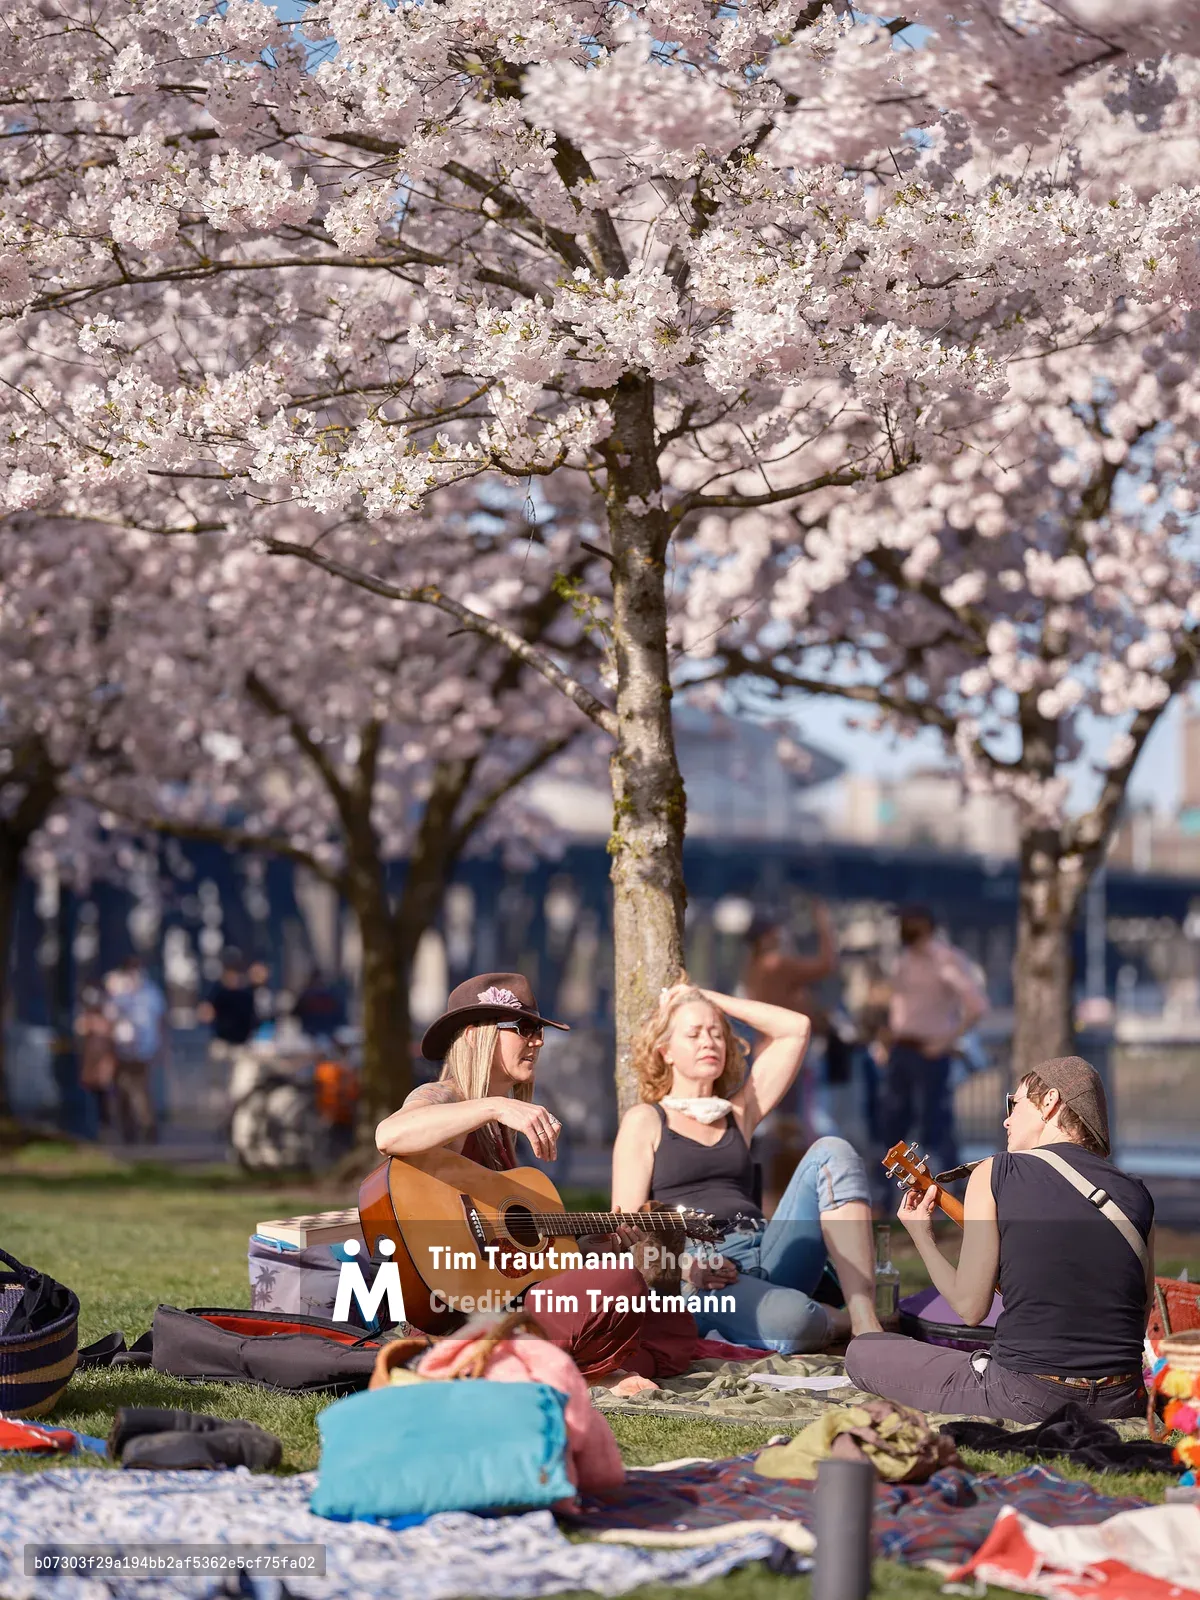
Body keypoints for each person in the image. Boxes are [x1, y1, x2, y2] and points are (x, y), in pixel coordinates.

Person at [375, 971, 699, 1386]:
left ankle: (566, 1367)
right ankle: (548, 1366)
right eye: (525, 1028)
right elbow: (390, 1135)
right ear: (476, 1034)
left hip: (504, 1302)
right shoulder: (445, 1098)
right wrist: (494, 1106)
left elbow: (510, 1255)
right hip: (455, 1316)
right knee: (621, 1283)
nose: (539, 1041)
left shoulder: (498, 1129)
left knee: (673, 1325)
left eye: (539, 1031)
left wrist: (585, 1244)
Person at [846, 1055, 1153, 1422]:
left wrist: (921, 1235)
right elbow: (1141, 1309)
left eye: (1015, 1103)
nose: (1007, 1119)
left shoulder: (998, 1172)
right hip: (1124, 1399)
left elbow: (970, 1308)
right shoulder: (1135, 1193)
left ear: (1051, 1102)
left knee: (863, 1351)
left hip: (1028, 1396)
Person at [611, 981, 884, 1353]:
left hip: (767, 1248)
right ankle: (836, 1318)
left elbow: (795, 1029)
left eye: (717, 1033)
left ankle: (865, 1322)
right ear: (666, 1051)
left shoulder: (738, 1113)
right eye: (693, 1034)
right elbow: (624, 1232)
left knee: (832, 1150)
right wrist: (688, 1266)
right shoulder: (646, 1120)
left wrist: (708, 998)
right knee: (794, 1323)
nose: (709, 1041)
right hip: (700, 1276)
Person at [879, 906, 987, 1180]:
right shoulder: (904, 960)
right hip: (901, 1050)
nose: (901, 928)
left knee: (935, 1125)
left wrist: (945, 1042)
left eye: (906, 922)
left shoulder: (946, 960)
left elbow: (975, 1006)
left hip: (930, 1054)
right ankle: (893, 1191)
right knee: (894, 1123)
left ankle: (948, 1190)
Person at [104, 954, 167, 1144]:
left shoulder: (151, 993)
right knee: (122, 1093)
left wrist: (160, 1048)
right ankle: (129, 1132)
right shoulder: (118, 991)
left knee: (140, 1092)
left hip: (143, 1051)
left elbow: (160, 1022)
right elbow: (109, 1017)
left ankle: (148, 1130)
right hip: (121, 1050)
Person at [196, 948, 260, 1053]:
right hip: (221, 1043)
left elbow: (253, 1016)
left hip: (242, 1044)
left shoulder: (246, 990)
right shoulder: (218, 989)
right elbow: (206, 1013)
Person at [75, 985, 116, 1133]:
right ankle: (91, 1126)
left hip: (103, 1068)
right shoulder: (85, 1020)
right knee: (89, 1097)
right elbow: (80, 1030)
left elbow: (110, 1035)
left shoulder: (106, 1020)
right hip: (89, 1068)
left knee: (103, 1098)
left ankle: (104, 1125)